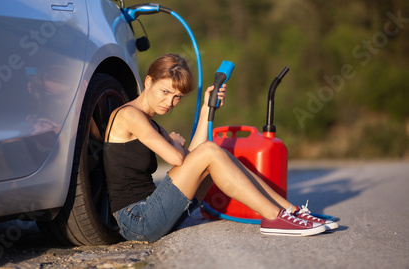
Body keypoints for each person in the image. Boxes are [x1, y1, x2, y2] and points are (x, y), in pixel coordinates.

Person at [103, 54, 337, 242]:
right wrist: (174, 143)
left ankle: (290, 211)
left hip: (154, 209)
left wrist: (207, 107)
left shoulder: (151, 123)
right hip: (137, 220)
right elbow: (176, 157)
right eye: (165, 92)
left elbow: (192, 156)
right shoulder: (129, 115)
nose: (170, 102)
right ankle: (274, 218)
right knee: (210, 151)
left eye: (177, 97)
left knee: (215, 152)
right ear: (148, 82)